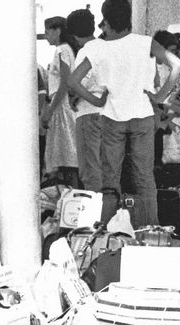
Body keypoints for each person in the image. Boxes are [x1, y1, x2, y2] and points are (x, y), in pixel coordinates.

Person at [69, 0, 180, 226]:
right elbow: (178, 65)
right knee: (144, 177)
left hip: (112, 118)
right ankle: (151, 228)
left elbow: (73, 81)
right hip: (142, 116)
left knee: (110, 179)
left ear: (106, 20)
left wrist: (96, 100)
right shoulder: (145, 42)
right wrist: (159, 96)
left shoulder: (99, 48)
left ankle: (108, 229)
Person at [67, 8, 105, 191]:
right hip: (110, 115)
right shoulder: (107, 47)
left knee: (90, 169)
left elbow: (77, 83)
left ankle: (96, 207)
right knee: (108, 168)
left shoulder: (86, 52)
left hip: (89, 114)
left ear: (73, 34)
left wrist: (74, 96)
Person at [41, 16, 79, 187]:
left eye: (48, 31)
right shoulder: (67, 50)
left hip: (61, 107)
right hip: (63, 106)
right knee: (67, 158)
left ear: (58, 31)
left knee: (66, 159)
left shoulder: (62, 50)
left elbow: (64, 82)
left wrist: (49, 110)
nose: (46, 35)